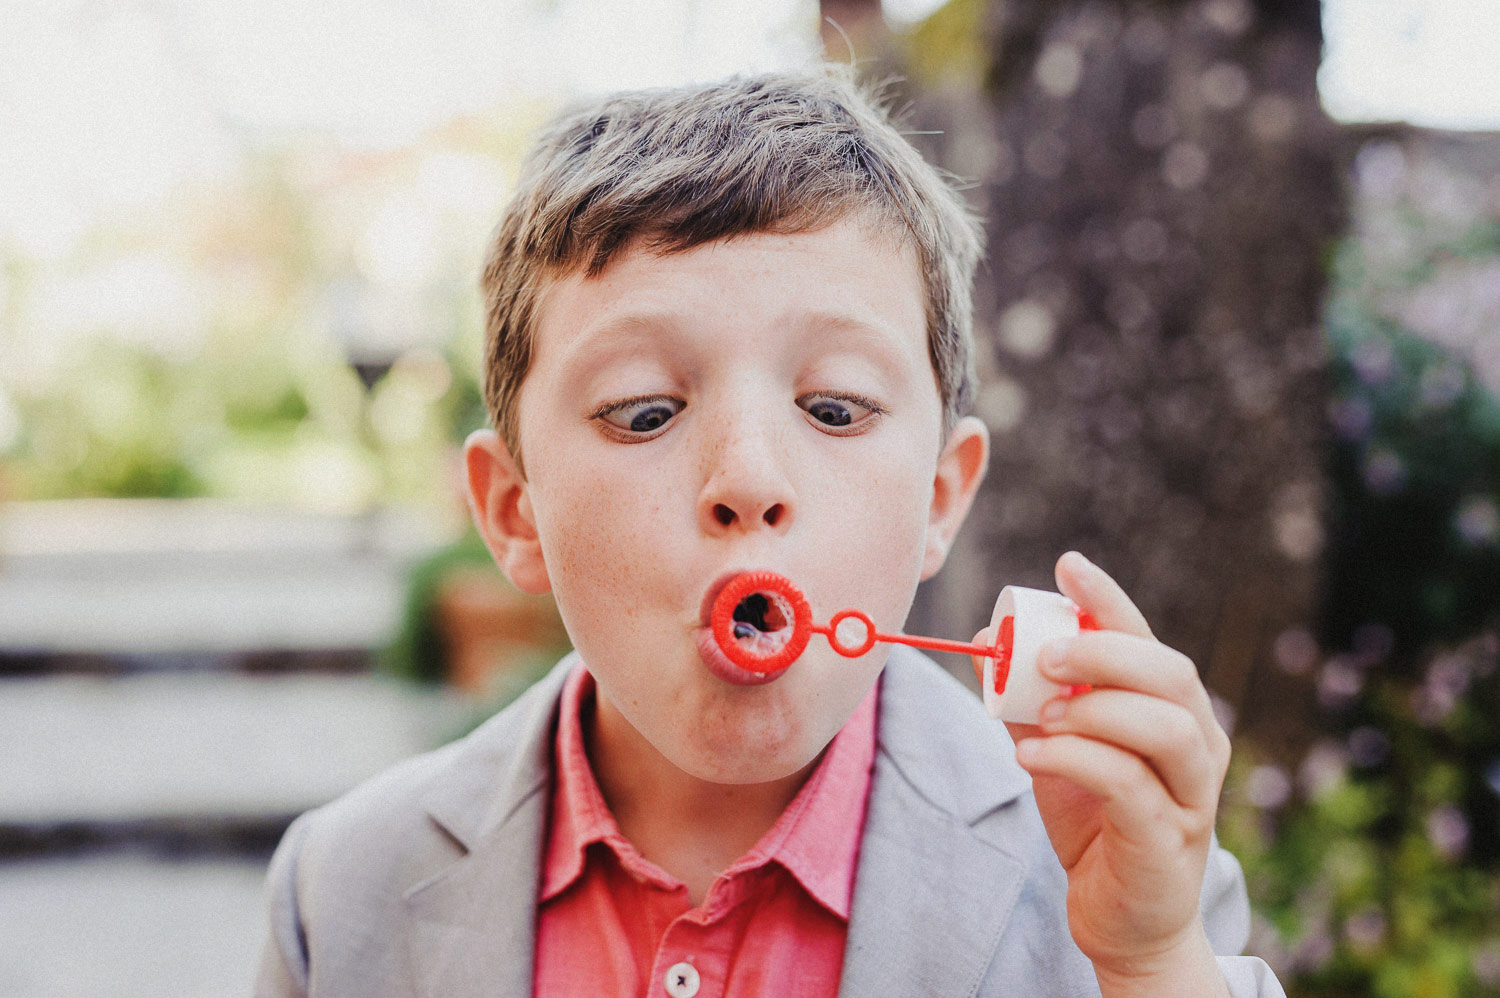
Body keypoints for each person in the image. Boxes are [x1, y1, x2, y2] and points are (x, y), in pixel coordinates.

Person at [255, 65, 1285, 997]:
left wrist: (1150, 965)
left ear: (938, 498)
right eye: (645, 409)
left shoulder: (1116, 879)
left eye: (835, 406)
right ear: (516, 513)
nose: (748, 477)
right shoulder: (341, 890)